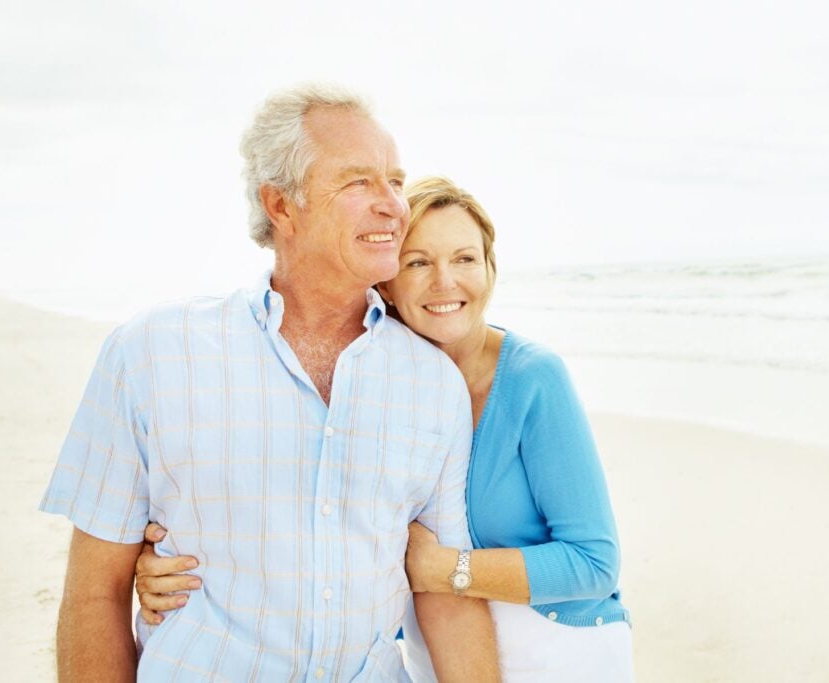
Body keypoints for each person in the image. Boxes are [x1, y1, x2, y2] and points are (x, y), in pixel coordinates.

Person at [39, 85, 500, 682]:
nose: (393, 205)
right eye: (359, 182)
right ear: (281, 206)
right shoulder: (150, 352)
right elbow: (94, 595)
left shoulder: (433, 381)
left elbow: (441, 591)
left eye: (394, 180)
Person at [137, 177, 634, 681]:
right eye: (419, 262)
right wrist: (170, 561)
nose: (446, 283)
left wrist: (442, 569)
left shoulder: (532, 378)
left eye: (465, 259)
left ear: (489, 269)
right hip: (436, 657)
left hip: (558, 650)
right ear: (386, 281)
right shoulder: (372, 382)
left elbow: (594, 563)